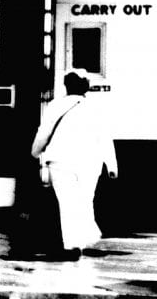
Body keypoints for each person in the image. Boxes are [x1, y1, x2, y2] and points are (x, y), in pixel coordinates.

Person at [30, 71, 115, 259]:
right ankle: (83, 239)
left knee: (67, 202)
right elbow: (105, 137)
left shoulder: (55, 105)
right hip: (90, 162)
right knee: (85, 200)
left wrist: (35, 152)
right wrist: (111, 165)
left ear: (66, 87)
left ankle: (72, 245)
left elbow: (44, 132)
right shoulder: (96, 107)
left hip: (61, 161)